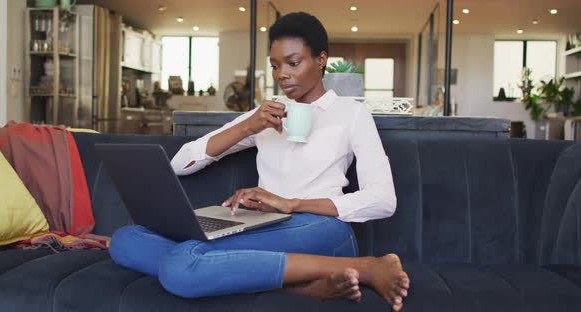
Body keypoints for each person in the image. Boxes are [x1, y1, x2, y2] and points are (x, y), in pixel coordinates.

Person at [109, 12, 410, 311]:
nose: (282, 74)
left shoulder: (350, 113)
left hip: (321, 227)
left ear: (321, 60)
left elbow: (383, 199)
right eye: (275, 66)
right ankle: (304, 287)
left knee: (182, 263)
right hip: (259, 224)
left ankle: (367, 266)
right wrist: (248, 127)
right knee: (126, 239)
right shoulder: (265, 115)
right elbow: (179, 163)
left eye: (293, 63)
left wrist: (292, 203)